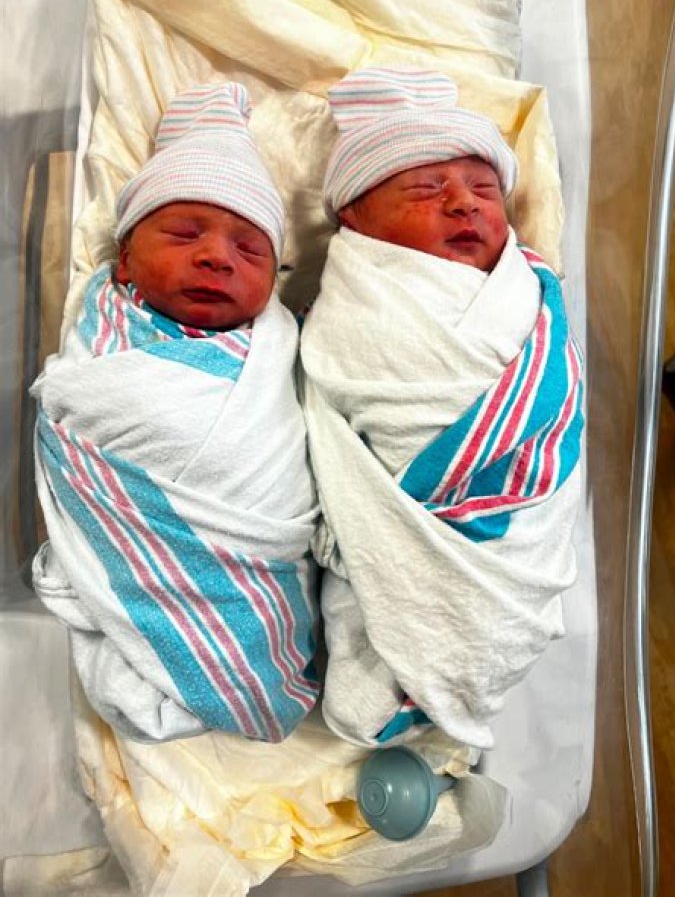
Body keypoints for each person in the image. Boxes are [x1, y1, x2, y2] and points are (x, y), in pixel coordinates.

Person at [301, 65, 584, 749]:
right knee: (379, 591)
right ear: (354, 219)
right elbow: (336, 384)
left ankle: (427, 659)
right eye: (426, 190)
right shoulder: (362, 306)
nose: (465, 205)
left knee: (401, 614)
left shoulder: (524, 291)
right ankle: (414, 661)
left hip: (507, 527)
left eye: (485, 190)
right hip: (401, 514)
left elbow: (554, 396)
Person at [32, 82, 319, 743]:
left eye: (250, 250)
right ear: (124, 261)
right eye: (185, 233)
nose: (216, 255)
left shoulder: (278, 343)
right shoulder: (111, 342)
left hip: (259, 540)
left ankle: (238, 655)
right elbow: (79, 409)